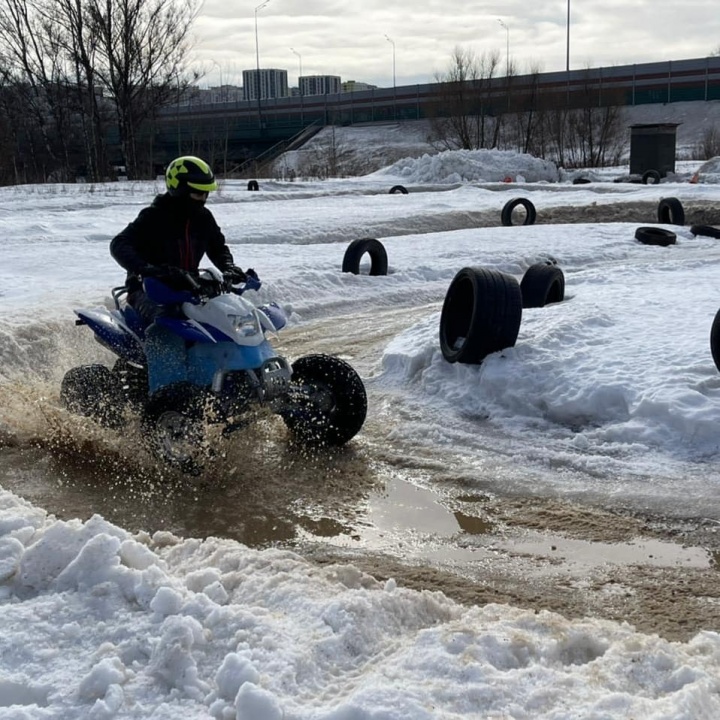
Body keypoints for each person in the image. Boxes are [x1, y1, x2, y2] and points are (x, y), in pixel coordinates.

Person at [110, 155, 250, 323]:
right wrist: (149, 269)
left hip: (190, 286)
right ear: (180, 190)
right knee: (167, 321)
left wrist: (228, 266)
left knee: (227, 316)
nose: (203, 199)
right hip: (149, 289)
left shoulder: (203, 218)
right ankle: (162, 348)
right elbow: (119, 244)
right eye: (198, 193)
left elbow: (217, 247)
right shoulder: (154, 216)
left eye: (206, 193)